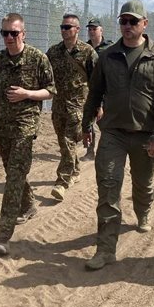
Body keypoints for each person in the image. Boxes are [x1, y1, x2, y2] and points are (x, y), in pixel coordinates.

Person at [81, 0, 154, 271]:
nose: (127, 26)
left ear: (144, 24)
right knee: (108, 187)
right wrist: (86, 126)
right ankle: (105, 249)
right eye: (123, 21)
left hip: (146, 134)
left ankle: (143, 211)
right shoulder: (108, 55)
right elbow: (95, 93)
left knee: (143, 184)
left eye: (133, 21)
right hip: (113, 133)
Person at [0, 13, 56, 256]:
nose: (8, 37)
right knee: (13, 170)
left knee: (14, 175)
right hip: (3, 127)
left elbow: (50, 91)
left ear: (23, 34)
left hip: (26, 126)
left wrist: (27, 93)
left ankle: (3, 234)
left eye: (13, 33)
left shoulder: (37, 58)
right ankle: (28, 204)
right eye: (4, 33)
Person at [46, 14, 97, 201]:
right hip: (58, 106)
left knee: (68, 141)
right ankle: (75, 169)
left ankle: (62, 181)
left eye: (68, 27)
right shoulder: (53, 52)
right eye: (62, 26)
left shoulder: (88, 52)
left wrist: (98, 105)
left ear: (77, 29)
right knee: (63, 142)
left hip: (78, 106)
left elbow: (97, 81)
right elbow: (44, 76)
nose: (64, 30)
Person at [83, 18, 114, 160]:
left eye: (94, 29)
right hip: (89, 90)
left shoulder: (110, 48)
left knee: (104, 122)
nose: (91, 31)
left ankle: (109, 150)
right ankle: (90, 152)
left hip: (107, 91)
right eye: (89, 29)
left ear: (101, 30)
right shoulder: (85, 48)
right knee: (88, 121)